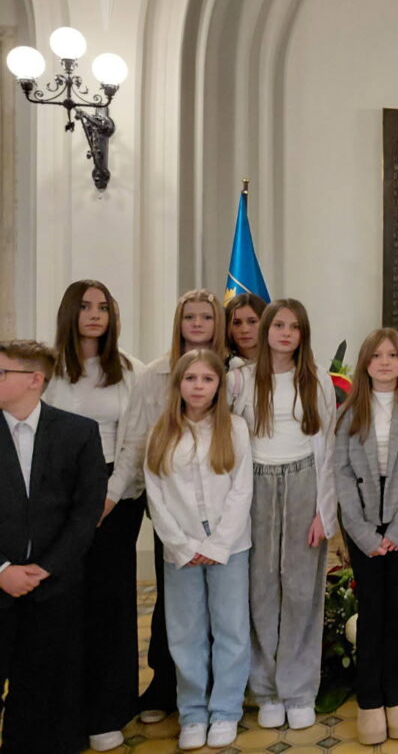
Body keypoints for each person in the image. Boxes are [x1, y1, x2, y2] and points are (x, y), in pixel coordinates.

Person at [107, 288, 228, 723]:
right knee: (174, 597)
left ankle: (222, 684)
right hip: (172, 504)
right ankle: (167, 681)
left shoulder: (233, 371)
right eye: (189, 316)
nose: (197, 324)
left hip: (224, 504)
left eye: (206, 317)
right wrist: (118, 493)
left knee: (225, 600)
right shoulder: (155, 374)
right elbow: (139, 436)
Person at [42, 281, 145, 752]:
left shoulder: (128, 370)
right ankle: (66, 713)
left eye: (103, 307)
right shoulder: (49, 370)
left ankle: (107, 712)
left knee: (109, 602)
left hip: (113, 497)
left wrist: (110, 495)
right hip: (59, 497)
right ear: (70, 313)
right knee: (63, 603)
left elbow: (135, 440)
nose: (95, 314)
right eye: (85, 307)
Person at [230, 298, 337, 730]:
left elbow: (328, 449)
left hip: (303, 481)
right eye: (279, 325)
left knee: (299, 590)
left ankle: (298, 689)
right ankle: (266, 690)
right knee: (260, 589)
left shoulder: (317, 381)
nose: (286, 333)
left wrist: (323, 512)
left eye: (294, 327)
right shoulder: (240, 380)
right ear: (266, 330)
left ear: (302, 334)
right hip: (255, 483)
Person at [0, 339, 106, 754]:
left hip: (53, 583)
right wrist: (3, 570)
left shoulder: (78, 433)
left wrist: (46, 569)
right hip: (0, 579)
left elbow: (86, 510)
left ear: (34, 380)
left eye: (2, 373)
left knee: (42, 686)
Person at [333, 329, 398, 744]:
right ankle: (370, 700)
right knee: (371, 609)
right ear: (365, 362)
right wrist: (362, 532)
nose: (384, 362)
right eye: (376, 355)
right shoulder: (349, 410)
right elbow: (342, 473)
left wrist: (397, 530)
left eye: (392, 355)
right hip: (362, 521)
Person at [144, 350, 252, 751]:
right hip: (181, 547)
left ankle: (225, 709)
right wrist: (182, 544)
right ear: (179, 384)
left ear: (219, 385)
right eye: (191, 378)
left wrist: (219, 543)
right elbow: (155, 494)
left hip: (230, 544)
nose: (199, 386)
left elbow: (242, 489)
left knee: (230, 628)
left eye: (207, 379)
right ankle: (192, 711)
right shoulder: (161, 431)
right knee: (185, 632)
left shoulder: (235, 428)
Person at [225, 292, 267, 368]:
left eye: (252, 322)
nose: (244, 330)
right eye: (236, 323)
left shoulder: (281, 363)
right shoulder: (219, 365)